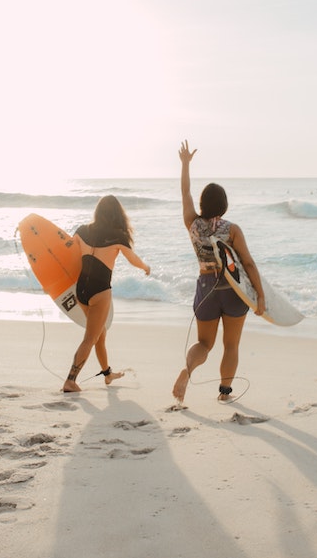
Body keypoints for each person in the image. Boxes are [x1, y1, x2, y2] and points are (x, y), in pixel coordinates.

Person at [172, 140, 265, 403]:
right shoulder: (232, 228)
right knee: (231, 345)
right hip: (232, 290)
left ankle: (187, 371)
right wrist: (260, 295)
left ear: (203, 204)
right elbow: (247, 263)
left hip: (206, 289)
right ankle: (225, 394)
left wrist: (185, 164)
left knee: (204, 344)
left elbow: (185, 193)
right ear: (224, 205)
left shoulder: (192, 224)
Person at [62, 195, 151, 393]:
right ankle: (70, 379)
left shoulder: (82, 230)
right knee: (90, 338)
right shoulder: (118, 236)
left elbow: (67, 250)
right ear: (118, 213)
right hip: (100, 292)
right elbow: (133, 259)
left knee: (99, 334)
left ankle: (107, 374)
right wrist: (146, 267)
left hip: (81, 290)